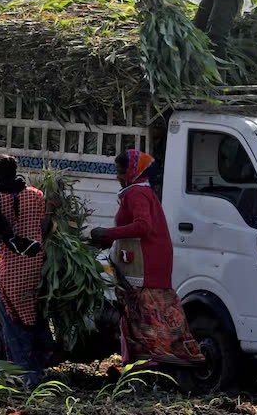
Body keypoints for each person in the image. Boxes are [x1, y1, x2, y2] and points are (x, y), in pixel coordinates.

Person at [89, 150, 204, 367]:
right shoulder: (140, 192)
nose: (118, 177)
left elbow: (143, 226)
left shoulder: (136, 195)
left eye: (120, 172)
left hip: (145, 266)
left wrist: (108, 233)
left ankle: (151, 366)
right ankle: (146, 366)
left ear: (132, 172)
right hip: (148, 263)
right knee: (147, 318)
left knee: (146, 321)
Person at [0, 154, 55, 387]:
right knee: (36, 317)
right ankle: (40, 367)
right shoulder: (36, 195)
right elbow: (45, 228)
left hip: (11, 270)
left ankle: (25, 375)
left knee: (14, 323)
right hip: (37, 268)